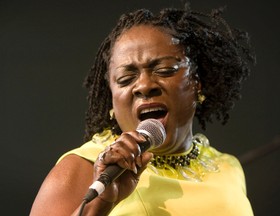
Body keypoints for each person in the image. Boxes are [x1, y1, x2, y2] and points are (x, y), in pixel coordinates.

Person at [30, 4, 256, 216]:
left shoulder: (227, 166)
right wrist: (102, 203)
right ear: (111, 98)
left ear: (197, 83)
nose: (144, 86)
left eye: (165, 70)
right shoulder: (83, 168)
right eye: (126, 79)